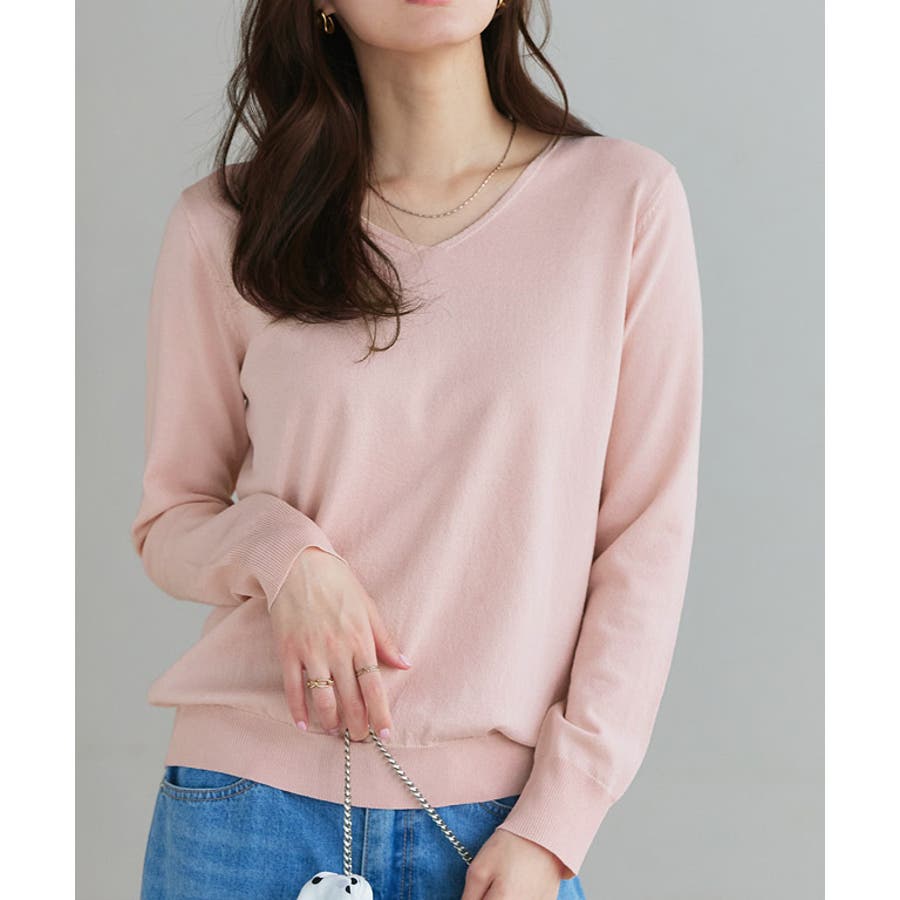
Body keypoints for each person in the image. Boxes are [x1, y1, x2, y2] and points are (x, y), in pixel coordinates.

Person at [132, 1, 704, 898]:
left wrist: (559, 822)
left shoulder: (624, 201)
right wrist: (284, 556)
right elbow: (171, 520)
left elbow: (645, 542)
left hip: (503, 829)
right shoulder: (228, 222)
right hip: (249, 813)